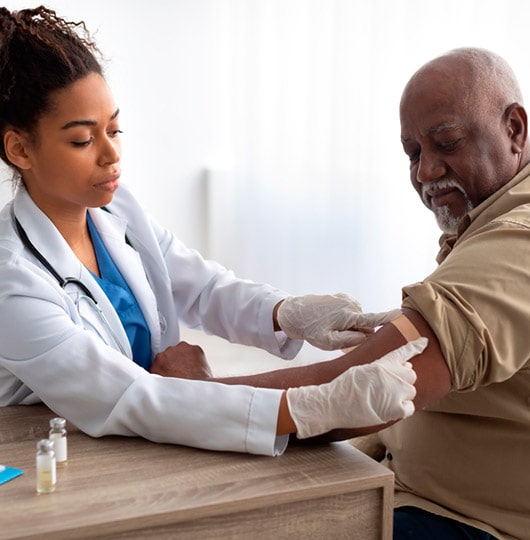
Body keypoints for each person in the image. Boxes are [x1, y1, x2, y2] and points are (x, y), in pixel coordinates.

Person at [0, 6, 424, 457]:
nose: (111, 154)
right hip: (65, 462)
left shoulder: (116, 208)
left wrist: (288, 312)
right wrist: (309, 407)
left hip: (155, 439)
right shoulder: (12, 281)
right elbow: (127, 397)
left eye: (115, 128)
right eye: (83, 140)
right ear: (20, 149)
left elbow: (202, 287)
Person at [161, 48, 530, 540]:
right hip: (412, 485)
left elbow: (355, 388)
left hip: (467, 521)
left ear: (515, 130)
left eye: (446, 142)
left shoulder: (518, 240)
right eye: (414, 154)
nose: (425, 172)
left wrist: (190, 396)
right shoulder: (486, 222)